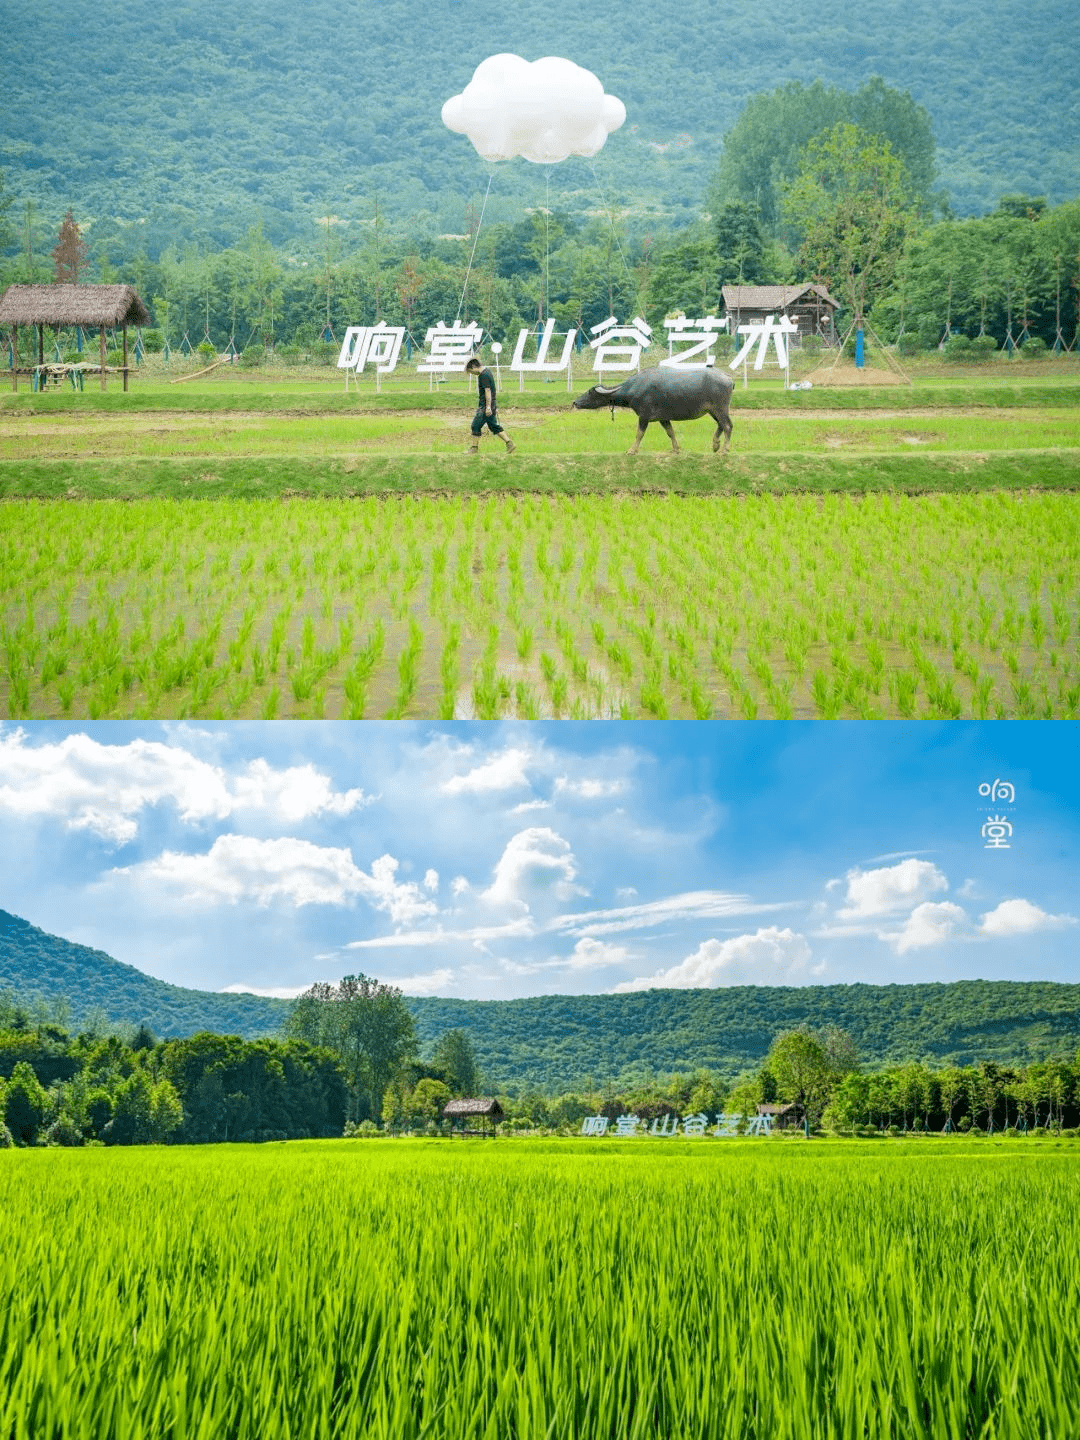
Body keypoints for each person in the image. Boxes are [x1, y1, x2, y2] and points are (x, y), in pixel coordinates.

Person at [465, 355, 515, 454]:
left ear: (474, 367)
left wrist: (488, 407)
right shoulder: (487, 372)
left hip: (486, 406)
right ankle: (510, 444)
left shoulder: (484, 375)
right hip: (490, 405)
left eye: (471, 371)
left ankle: (474, 448)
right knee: (493, 426)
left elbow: (488, 391)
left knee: (475, 425)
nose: (472, 373)